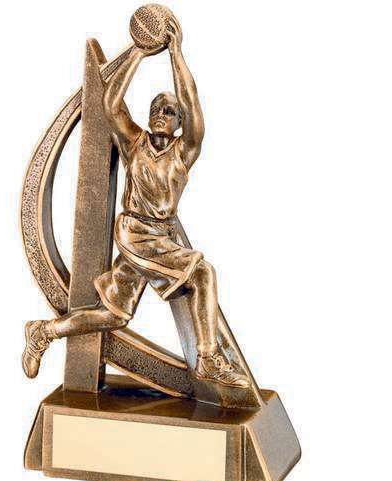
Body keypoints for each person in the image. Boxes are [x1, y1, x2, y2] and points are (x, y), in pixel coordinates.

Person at [22, 19, 249, 388]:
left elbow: (191, 100)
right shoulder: (134, 143)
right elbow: (110, 103)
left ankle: (44, 331)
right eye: (156, 107)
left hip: (160, 238)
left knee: (112, 316)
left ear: (180, 122)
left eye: (170, 111)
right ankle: (208, 357)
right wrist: (138, 51)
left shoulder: (185, 152)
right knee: (203, 273)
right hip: (135, 233)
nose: (161, 113)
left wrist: (176, 54)